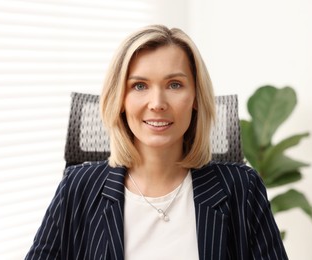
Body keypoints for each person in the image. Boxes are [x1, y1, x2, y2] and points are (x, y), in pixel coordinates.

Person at [25, 25, 288, 260]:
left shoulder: (243, 189)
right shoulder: (77, 188)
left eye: (174, 85)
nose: (158, 104)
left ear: (196, 96)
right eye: (139, 86)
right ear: (120, 100)